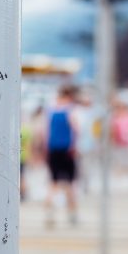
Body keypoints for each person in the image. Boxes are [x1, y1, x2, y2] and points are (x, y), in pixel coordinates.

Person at [44, 85, 80, 227]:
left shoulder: (50, 111)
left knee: (53, 183)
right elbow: (76, 130)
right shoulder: (71, 110)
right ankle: (72, 214)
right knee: (70, 184)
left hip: (53, 150)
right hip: (67, 150)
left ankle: (49, 213)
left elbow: (45, 133)